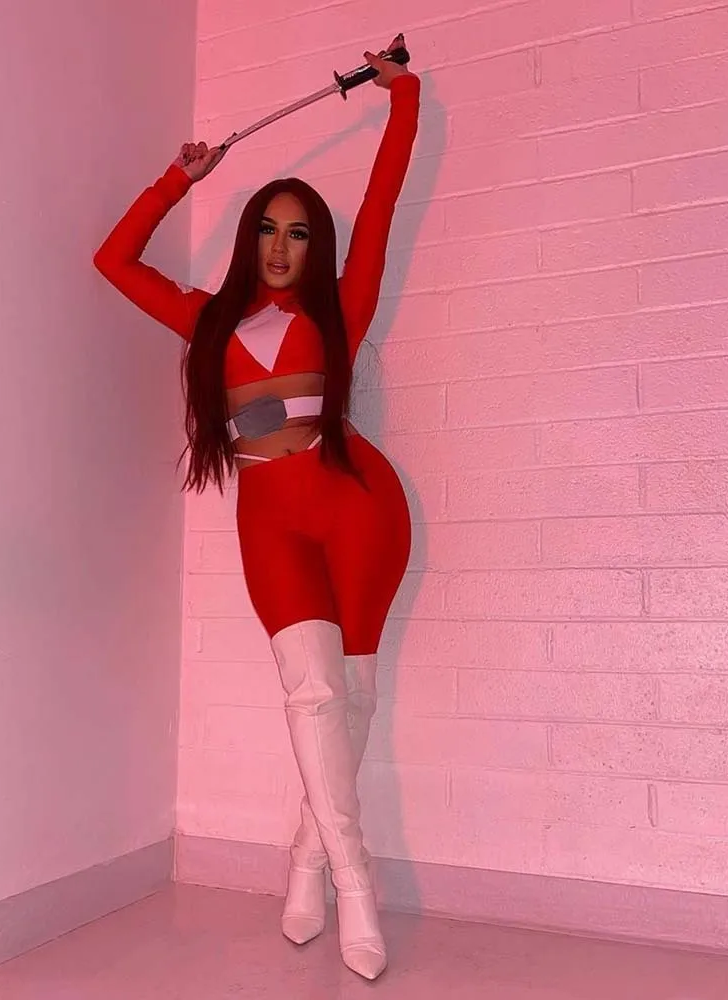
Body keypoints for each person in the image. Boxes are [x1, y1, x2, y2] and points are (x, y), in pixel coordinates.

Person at [94, 38, 420, 980]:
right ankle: (354, 877)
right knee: (311, 692)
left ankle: (310, 864)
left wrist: (402, 98)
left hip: (360, 508)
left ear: (316, 247)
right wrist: (177, 179)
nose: (281, 248)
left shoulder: (340, 311)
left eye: (300, 233)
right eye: (269, 230)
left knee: (352, 694)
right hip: (270, 522)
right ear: (249, 239)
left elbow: (384, 203)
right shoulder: (209, 319)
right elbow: (113, 260)